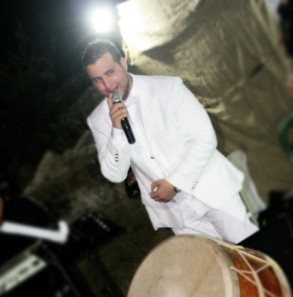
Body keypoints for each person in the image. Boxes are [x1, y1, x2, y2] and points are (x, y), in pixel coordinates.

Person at [82, 39, 259, 244]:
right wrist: (117, 132)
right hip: (176, 215)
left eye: (110, 72)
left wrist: (174, 183)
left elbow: (205, 138)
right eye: (97, 80)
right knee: (215, 264)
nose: (106, 85)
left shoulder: (168, 87)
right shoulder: (98, 120)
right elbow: (115, 174)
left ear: (123, 62)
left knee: (255, 253)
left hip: (211, 189)